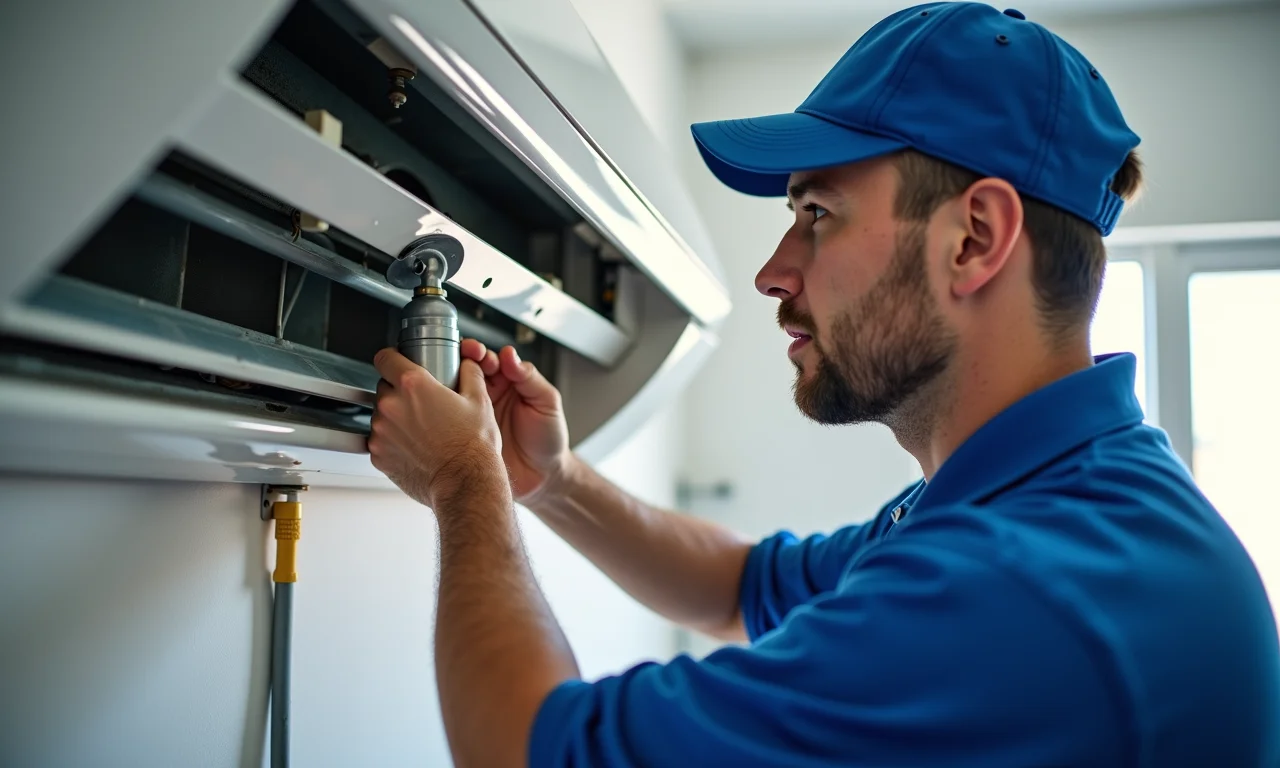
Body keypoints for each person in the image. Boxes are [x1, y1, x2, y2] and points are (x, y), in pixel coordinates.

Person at [368, 2, 1280, 765]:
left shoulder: (1019, 592)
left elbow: (535, 751)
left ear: (972, 240)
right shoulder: (1052, 500)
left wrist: (464, 483)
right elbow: (738, 586)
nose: (773, 270)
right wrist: (552, 483)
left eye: (816, 214)